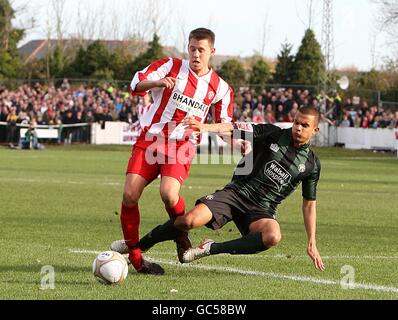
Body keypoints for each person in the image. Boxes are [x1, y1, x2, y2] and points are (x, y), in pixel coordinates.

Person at [128, 106, 325, 272]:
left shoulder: (311, 165)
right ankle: (141, 245)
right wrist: (205, 127)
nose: (298, 128)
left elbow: (309, 205)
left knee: (273, 236)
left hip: (261, 211)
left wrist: (312, 242)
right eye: (296, 123)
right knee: (187, 221)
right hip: (234, 194)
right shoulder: (273, 133)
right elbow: (233, 127)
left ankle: (210, 248)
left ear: (315, 130)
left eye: (304, 125)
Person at [110, 28, 234, 275]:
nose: (196, 54)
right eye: (192, 48)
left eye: (201, 50)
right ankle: (136, 259)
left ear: (212, 51)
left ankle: (180, 236)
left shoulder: (220, 87)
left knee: (168, 193)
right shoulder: (170, 66)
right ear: (187, 48)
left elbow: (226, 125)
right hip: (150, 140)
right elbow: (136, 83)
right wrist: (157, 82)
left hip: (181, 145)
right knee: (129, 195)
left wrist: (224, 135)